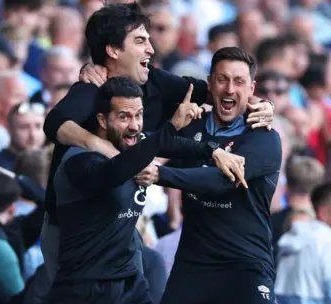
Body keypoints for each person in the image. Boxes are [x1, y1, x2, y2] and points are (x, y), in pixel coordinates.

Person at [40, 2, 274, 287]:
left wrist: (261, 104)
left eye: (149, 40)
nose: (151, 49)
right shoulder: (92, 89)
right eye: (140, 41)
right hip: (72, 231)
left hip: (123, 225)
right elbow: (54, 124)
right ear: (113, 51)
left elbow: (214, 91)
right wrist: (100, 146)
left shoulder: (154, 82)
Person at [51, 75, 244, 304]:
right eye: (124, 117)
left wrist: (213, 151)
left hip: (131, 284)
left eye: (139, 115)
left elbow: (172, 145)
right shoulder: (78, 161)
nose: (134, 125)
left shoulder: (135, 145)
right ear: (103, 121)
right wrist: (168, 130)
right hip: (87, 292)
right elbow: (116, 172)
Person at [148, 47, 282, 304]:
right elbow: (148, 82)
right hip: (193, 268)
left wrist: (158, 173)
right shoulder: (191, 125)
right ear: (209, 83)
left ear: (252, 88)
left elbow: (220, 181)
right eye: (222, 79)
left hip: (246, 268)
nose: (229, 89)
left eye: (239, 81)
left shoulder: (263, 136)